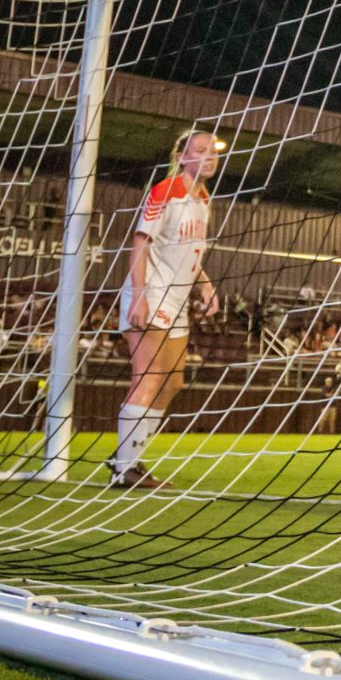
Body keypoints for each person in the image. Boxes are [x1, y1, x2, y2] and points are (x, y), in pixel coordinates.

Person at [110, 127, 222, 490]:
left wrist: (205, 286)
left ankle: (130, 459)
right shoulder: (165, 190)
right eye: (201, 150)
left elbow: (189, 253)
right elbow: (140, 242)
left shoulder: (203, 200)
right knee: (149, 377)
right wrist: (139, 295)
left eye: (214, 152)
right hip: (151, 294)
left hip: (176, 302)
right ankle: (123, 468)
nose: (209, 156)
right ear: (183, 157)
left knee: (173, 382)